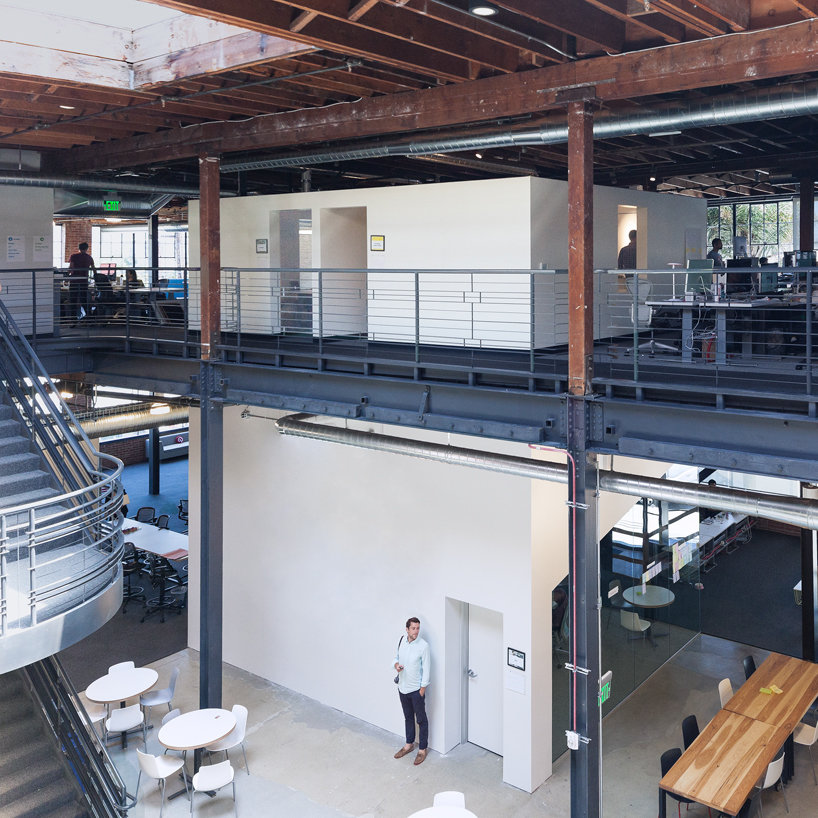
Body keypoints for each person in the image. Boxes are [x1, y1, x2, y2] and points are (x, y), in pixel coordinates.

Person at [393, 616, 430, 766]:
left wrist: (422, 689)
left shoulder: (423, 646)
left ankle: (422, 749)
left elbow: (427, 668)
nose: (416, 631)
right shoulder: (402, 640)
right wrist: (396, 665)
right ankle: (409, 744)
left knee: (421, 720)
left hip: (416, 691)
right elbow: (396, 658)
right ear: (407, 629)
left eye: (418, 628)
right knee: (408, 717)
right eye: (413, 628)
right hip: (402, 688)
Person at [66, 242, 96, 320]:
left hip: (74, 281)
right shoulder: (89, 257)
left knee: (73, 301)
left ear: (79, 248)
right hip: (84, 282)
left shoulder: (74, 256)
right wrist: (96, 277)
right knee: (84, 300)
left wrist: (66, 275)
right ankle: (88, 319)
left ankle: (73, 320)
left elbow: (71, 268)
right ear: (87, 249)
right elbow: (94, 270)